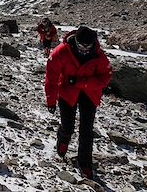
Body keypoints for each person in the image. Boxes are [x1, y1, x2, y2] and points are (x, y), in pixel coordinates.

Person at [44, 26, 112, 180]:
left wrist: (81, 82)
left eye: (88, 46)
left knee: (86, 130)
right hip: (67, 92)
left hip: (90, 94)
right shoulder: (61, 52)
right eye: (81, 46)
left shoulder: (98, 55)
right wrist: (51, 101)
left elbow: (105, 77)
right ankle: (63, 138)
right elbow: (51, 77)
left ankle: (85, 163)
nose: (84, 50)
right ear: (75, 41)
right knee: (68, 125)